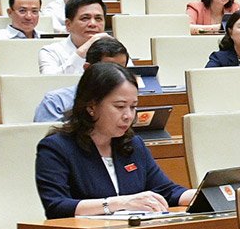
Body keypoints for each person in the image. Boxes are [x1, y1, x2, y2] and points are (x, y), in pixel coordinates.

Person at [36, 62, 195, 218]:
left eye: (133, 107)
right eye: (120, 106)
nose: (128, 116)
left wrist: (205, 193)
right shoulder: (57, 147)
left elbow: (167, 191)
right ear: (91, 106)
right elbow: (56, 206)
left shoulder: (133, 144)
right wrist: (121, 203)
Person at [42, 0, 111, 75]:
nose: (93, 24)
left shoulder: (114, 49)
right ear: (68, 24)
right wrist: (84, 49)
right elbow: (49, 81)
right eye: (85, 18)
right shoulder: (51, 51)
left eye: (98, 18)